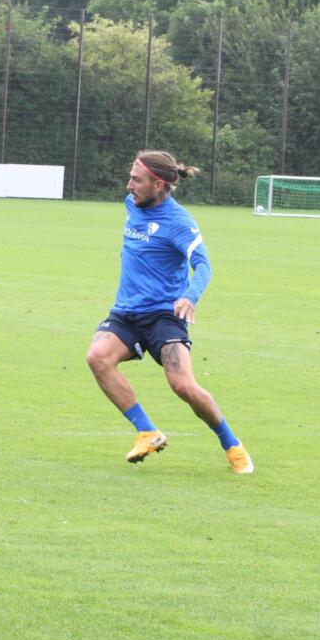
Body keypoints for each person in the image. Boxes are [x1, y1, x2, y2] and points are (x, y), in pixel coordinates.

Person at [85, 151, 253, 474]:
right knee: (97, 357)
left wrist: (190, 296)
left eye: (137, 179)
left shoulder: (179, 223)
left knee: (184, 386)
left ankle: (232, 444)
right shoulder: (131, 204)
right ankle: (147, 432)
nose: (129, 184)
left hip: (164, 315)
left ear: (158, 183)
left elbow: (203, 265)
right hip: (126, 313)